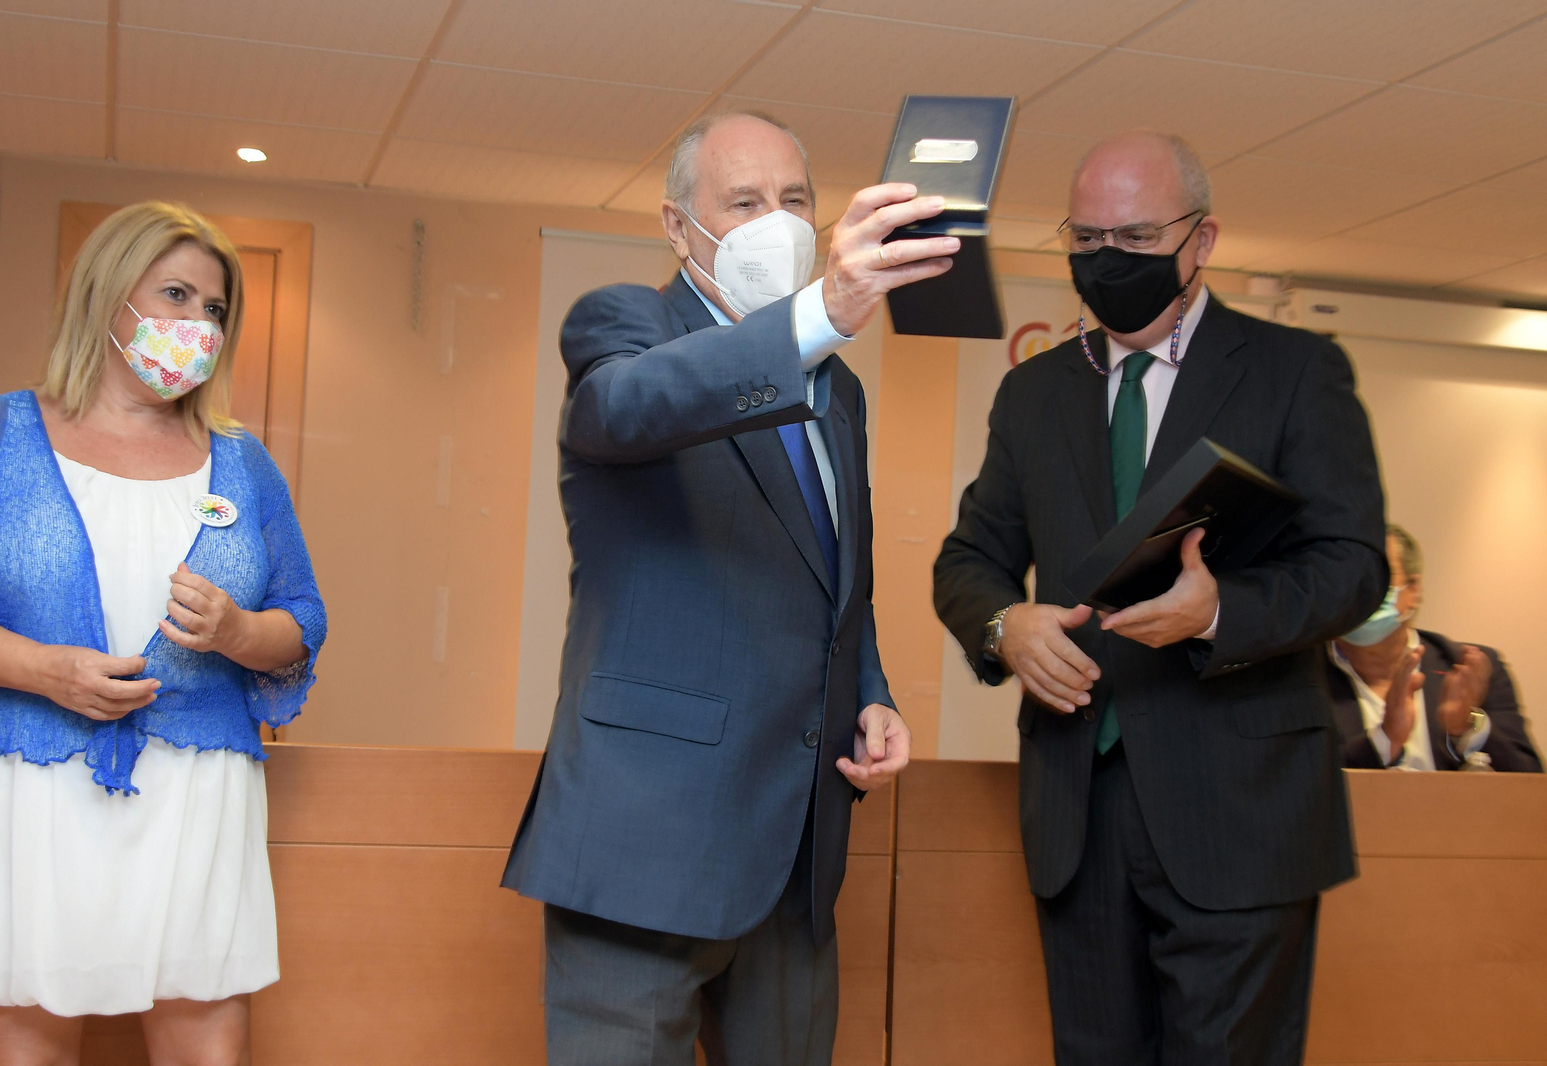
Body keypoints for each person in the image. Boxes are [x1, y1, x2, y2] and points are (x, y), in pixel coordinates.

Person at [933, 131, 1388, 1066]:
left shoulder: (1297, 371)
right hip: (1078, 814)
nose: (1108, 261)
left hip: (1242, 813)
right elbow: (969, 558)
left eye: (1135, 238)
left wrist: (1220, 614)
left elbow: (1352, 566)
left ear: (1202, 239)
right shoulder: (1032, 395)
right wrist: (1003, 624)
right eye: (1087, 238)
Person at [502, 111, 942, 1065]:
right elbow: (625, 408)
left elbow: (834, 576)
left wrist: (870, 689)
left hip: (793, 848)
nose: (773, 224)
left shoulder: (839, 392)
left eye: (794, 202)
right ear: (676, 225)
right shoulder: (625, 324)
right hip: (643, 842)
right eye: (743, 203)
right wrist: (821, 313)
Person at [0, 201, 327, 1066]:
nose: (199, 324)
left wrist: (236, 630)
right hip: (27, 782)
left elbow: (301, 622)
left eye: (216, 309)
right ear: (107, 297)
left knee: (204, 1032)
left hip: (196, 786)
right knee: (24, 1027)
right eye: (176, 295)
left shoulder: (242, 462)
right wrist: (45, 670)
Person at [1328, 524, 1541, 772]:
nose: (1358, 593)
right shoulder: (1300, 677)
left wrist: (1468, 726)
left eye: (1375, 578)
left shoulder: (1468, 668)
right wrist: (1384, 741)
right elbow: (1300, 790)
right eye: (1344, 580)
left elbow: (1530, 784)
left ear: (1414, 589)